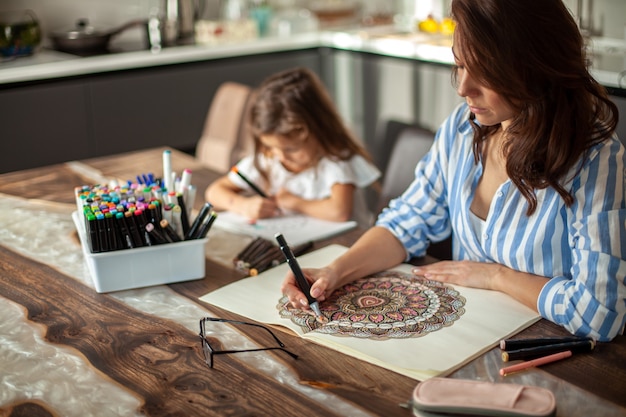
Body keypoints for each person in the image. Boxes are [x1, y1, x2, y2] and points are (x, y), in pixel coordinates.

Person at [281, 0, 625, 342]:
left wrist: (495, 277)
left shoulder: (597, 159)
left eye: (485, 72)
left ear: (536, 66)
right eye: (459, 65)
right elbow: (408, 221)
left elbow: (599, 313)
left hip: (543, 351)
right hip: (465, 338)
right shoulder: (462, 128)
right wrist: (334, 272)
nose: (463, 88)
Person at [205, 67, 380, 227]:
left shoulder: (337, 160)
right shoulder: (268, 159)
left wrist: (295, 202)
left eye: (291, 149)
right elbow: (214, 192)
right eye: (270, 146)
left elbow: (339, 212)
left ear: (318, 131)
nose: (280, 156)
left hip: (346, 246)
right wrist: (244, 205)